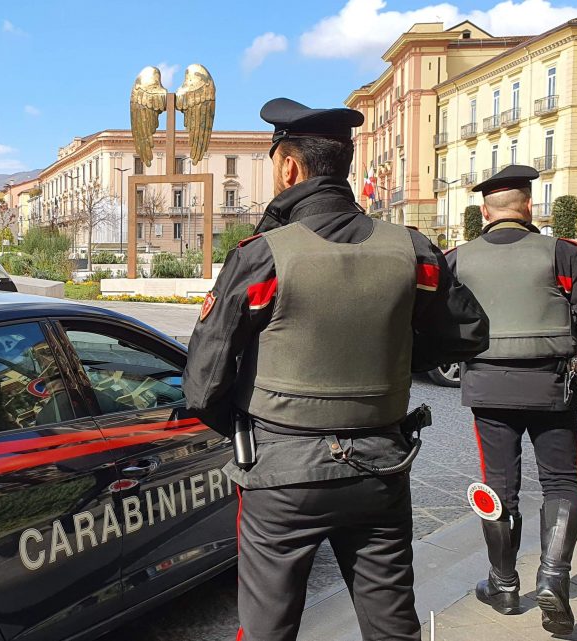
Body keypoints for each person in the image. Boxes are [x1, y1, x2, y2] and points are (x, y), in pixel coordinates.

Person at [182, 98, 490, 641]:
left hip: (281, 474)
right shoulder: (413, 250)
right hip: (382, 467)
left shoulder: (263, 257)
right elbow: (469, 332)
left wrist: (254, 428)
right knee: (392, 624)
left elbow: (204, 383)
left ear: (289, 168)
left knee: (267, 629)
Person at [447, 164, 577, 635]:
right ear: (529, 206)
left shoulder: (458, 259)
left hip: (488, 388)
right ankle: (553, 578)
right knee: (561, 482)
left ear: (485, 210)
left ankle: (503, 585)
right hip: (552, 385)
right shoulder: (561, 254)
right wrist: (567, 340)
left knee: (498, 489)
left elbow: (438, 326)